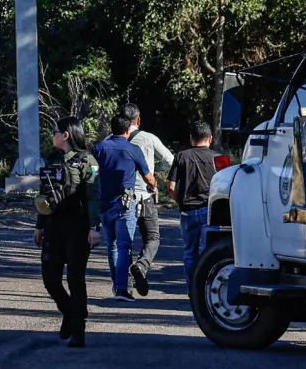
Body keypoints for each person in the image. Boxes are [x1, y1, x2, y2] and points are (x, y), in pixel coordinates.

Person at [34, 117, 102, 346]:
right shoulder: (51, 160)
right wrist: (39, 225)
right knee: (50, 279)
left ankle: (78, 330)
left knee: (75, 278)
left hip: (77, 226)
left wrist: (94, 227)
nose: (51, 135)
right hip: (53, 225)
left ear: (65, 135)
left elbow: (93, 196)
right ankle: (70, 313)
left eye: (55, 131)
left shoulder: (86, 160)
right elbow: (45, 195)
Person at [92, 113, 156, 302]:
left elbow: (92, 173)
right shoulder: (133, 149)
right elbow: (147, 175)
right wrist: (153, 186)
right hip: (125, 203)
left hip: (104, 203)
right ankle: (122, 289)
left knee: (111, 245)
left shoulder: (98, 148)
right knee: (124, 246)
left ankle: (116, 284)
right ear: (128, 130)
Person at [122, 103, 173, 297]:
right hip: (145, 197)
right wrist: (154, 169)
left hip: (122, 198)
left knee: (124, 242)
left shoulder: (113, 141)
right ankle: (141, 266)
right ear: (139, 120)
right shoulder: (149, 138)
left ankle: (124, 284)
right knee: (152, 238)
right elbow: (170, 160)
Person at [167, 120, 220, 291]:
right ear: (210, 138)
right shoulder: (219, 159)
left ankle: (192, 289)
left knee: (190, 253)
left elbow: (171, 187)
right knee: (208, 254)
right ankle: (205, 290)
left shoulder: (182, 156)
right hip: (210, 211)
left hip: (187, 211)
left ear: (191, 139)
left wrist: (180, 202)